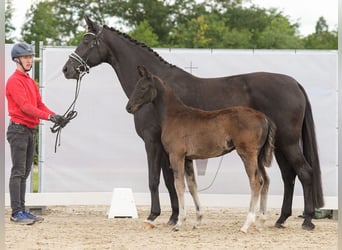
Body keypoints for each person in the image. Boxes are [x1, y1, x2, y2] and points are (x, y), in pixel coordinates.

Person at [6, 42, 65, 225]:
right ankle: (16, 212)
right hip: (18, 130)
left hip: (29, 130)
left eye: (30, 57)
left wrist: (55, 115)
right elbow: (25, 107)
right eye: (26, 57)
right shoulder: (14, 81)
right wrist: (48, 116)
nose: (29, 60)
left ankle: (22, 209)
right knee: (18, 172)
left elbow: (39, 105)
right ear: (17, 60)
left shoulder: (31, 81)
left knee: (24, 172)